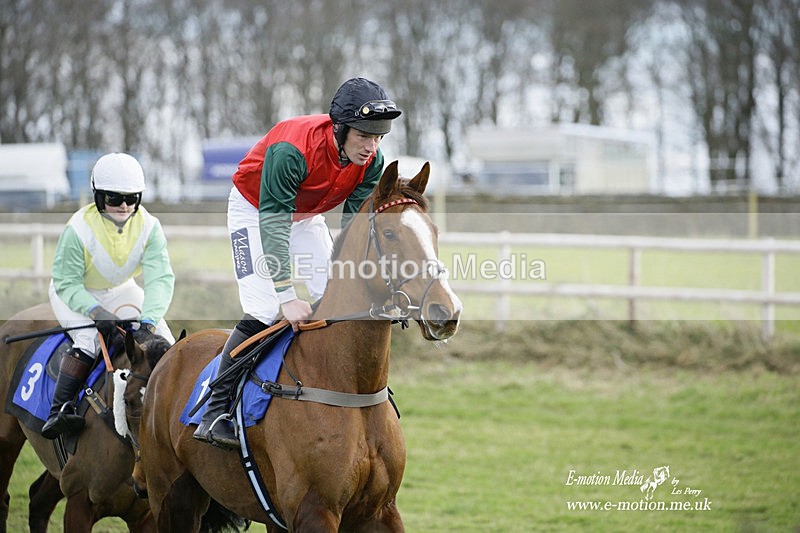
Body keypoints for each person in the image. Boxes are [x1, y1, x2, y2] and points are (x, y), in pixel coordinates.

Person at [193, 77, 402, 449]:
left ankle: (333, 389)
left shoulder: (372, 162)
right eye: (364, 137)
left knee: (340, 295)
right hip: (254, 211)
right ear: (339, 128)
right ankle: (217, 409)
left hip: (304, 216)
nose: (371, 147)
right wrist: (287, 293)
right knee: (263, 307)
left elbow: (353, 230)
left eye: (378, 138)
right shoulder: (293, 148)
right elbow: (273, 222)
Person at [41, 152, 176, 439]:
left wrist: (149, 321)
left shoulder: (150, 227)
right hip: (75, 291)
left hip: (121, 290)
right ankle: (60, 411)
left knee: (166, 341)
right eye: (114, 198)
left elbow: (160, 279)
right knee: (88, 339)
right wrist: (94, 311)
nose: (124, 205)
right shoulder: (78, 228)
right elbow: (66, 281)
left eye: (131, 198)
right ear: (99, 197)